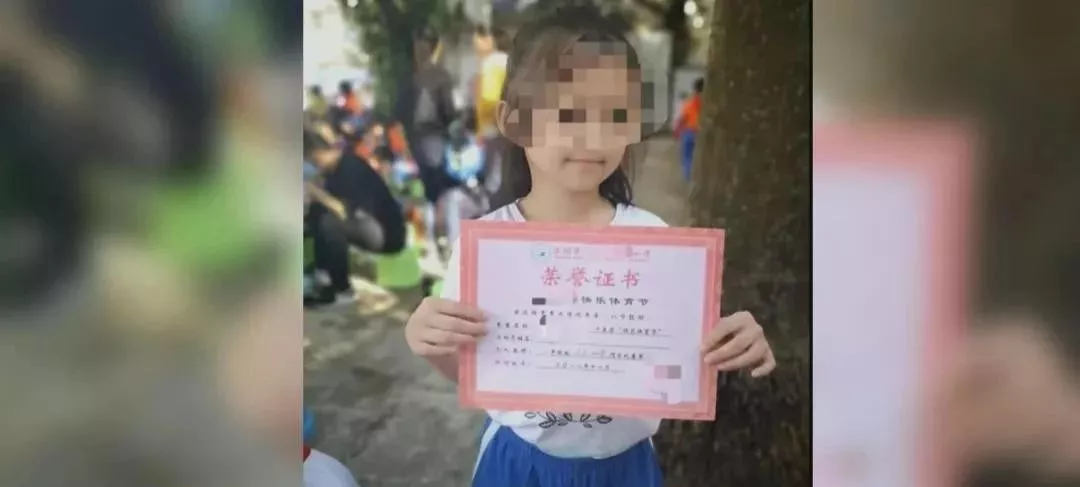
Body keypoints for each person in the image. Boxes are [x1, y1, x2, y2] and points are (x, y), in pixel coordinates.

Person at [403, 6, 777, 486]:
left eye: (616, 116)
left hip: (626, 468)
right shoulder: (486, 251)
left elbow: (684, 359)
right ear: (514, 121)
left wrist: (736, 344)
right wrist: (428, 342)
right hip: (519, 466)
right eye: (569, 114)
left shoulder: (654, 242)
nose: (595, 137)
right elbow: (478, 373)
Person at [304, 125, 407, 304]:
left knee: (330, 222)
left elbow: (343, 211)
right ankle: (322, 274)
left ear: (318, 154)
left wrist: (317, 193)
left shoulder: (350, 168)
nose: (314, 166)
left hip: (386, 233)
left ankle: (343, 290)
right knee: (318, 212)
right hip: (368, 226)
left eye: (313, 161)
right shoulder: (334, 171)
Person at [403, 28, 458, 204]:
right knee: (439, 185)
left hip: (414, 138)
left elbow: (401, 111)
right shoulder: (440, 76)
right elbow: (448, 110)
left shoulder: (410, 77)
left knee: (425, 185)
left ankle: (431, 214)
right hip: (434, 136)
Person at [674, 78, 703, 181]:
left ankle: (688, 180)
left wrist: (677, 130)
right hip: (701, 132)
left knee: (687, 158)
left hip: (689, 132)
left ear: (695, 89)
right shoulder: (707, 103)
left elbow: (683, 118)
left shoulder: (690, 102)